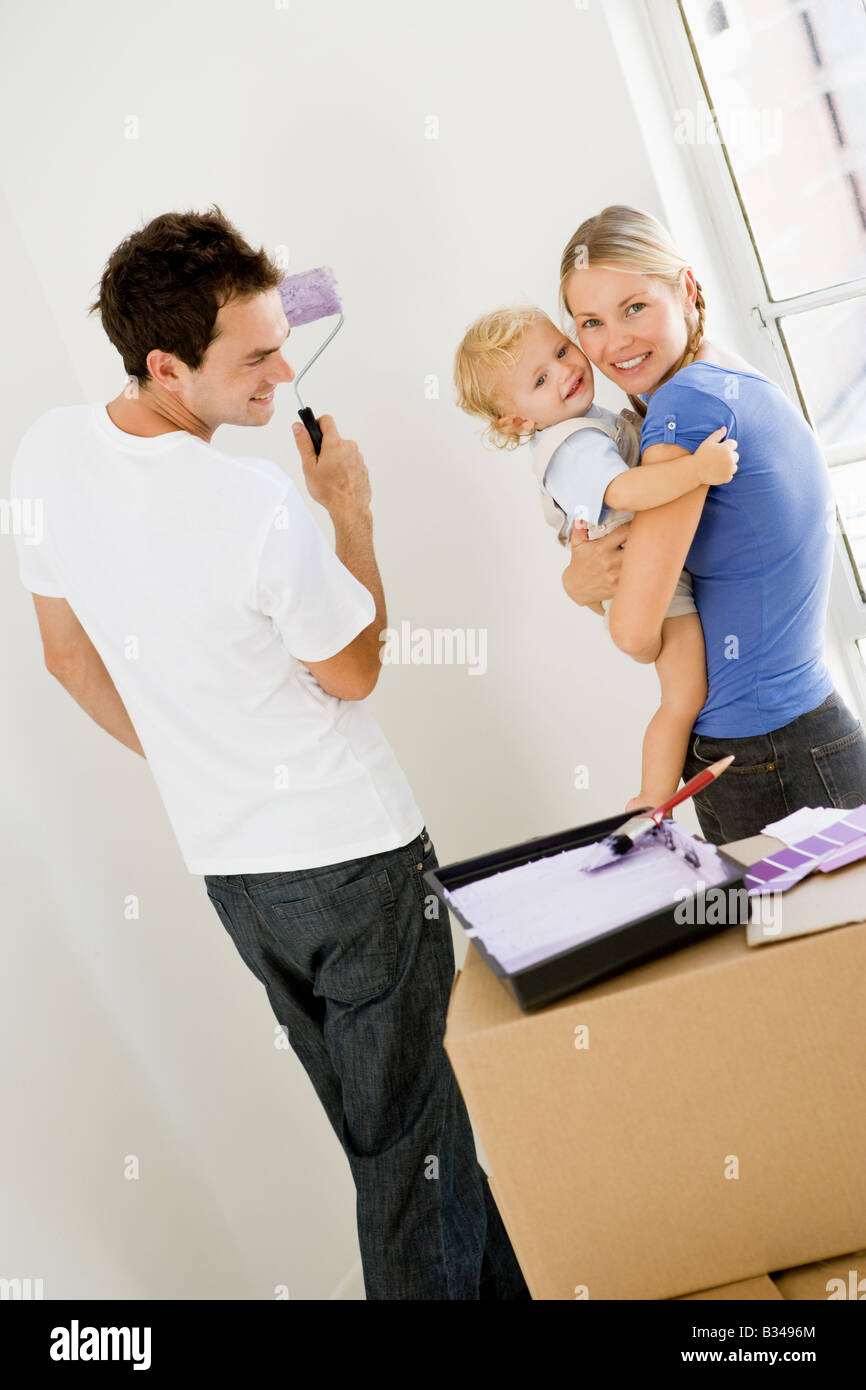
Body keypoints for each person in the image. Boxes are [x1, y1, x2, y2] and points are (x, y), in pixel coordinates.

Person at [9, 204, 529, 1301]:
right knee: (409, 1154)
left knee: (398, 1137)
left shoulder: (46, 451)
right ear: (164, 365)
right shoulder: (253, 504)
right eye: (252, 356)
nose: (280, 370)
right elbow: (352, 668)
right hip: (358, 865)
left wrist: (207, 753)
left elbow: (64, 655)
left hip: (237, 877)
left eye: (279, 338)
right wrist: (346, 509)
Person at [556, 203, 866, 843]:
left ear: (687, 289)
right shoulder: (724, 376)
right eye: (591, 322)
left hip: (763, 759)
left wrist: (583, 588)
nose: (615, 342)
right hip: (812, 737)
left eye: (635, 307)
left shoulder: (683, 413)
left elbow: (637, 634)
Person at [453, 303, 738, 811]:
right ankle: (651, 797)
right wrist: (698, 470)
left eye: (562, 351)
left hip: (653, 572)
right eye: (541, 378)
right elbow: (626, 490)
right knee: (683, 695)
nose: (566, 370)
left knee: (684, 690)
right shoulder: (574, 443)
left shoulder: (585, 423)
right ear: (518, 418)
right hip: (650, 582)